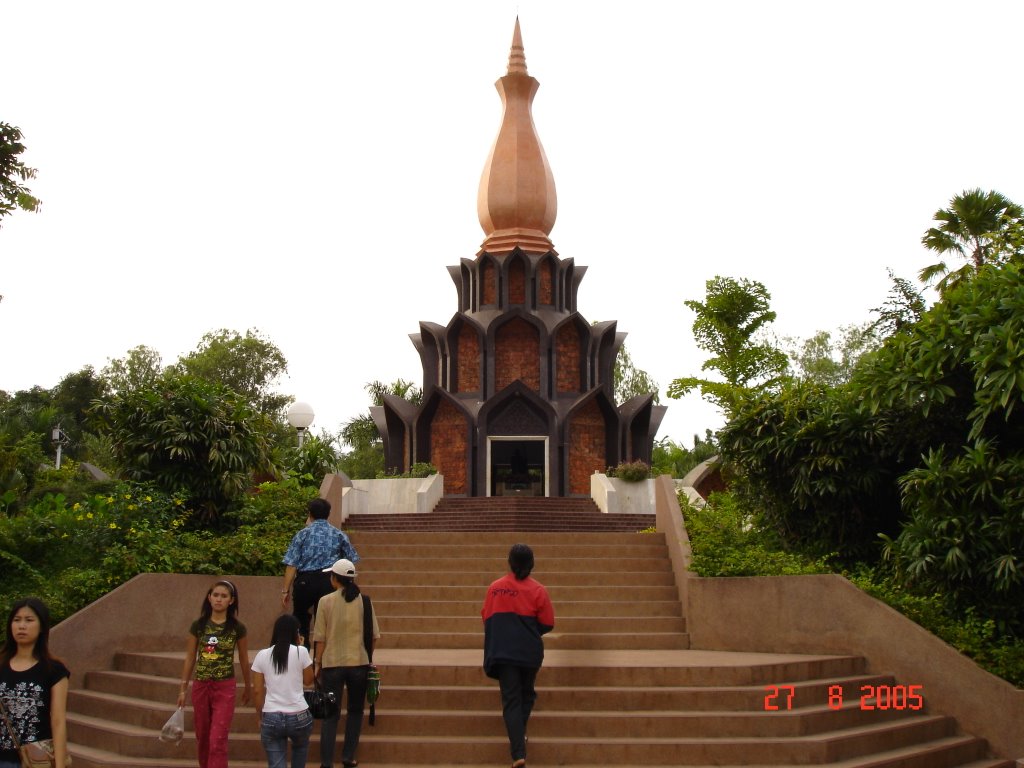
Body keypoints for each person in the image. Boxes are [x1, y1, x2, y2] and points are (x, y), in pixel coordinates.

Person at [481, 543, 555, 768]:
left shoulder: (495, 588)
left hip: (504, 652)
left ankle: (518, 752)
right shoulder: (538, 590)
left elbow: (487, 617)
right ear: (531, 565)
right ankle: (518, 747)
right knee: (526, 695)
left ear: (510, 563)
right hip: (529, 652)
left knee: (513, 700)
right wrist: (528, 630)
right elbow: (548, 623)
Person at [312, 558, 380, 768]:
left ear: (335, 579)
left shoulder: (325, 601)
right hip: (359, 663)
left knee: (330, 714)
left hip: (332, 664)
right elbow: (375, 636)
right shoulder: (365, 601)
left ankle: (326, 762)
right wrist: (367, 656)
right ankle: (348, 756)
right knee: (355, 711)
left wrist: (317, 663)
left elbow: (320, 637)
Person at [178, 580, 253, 768]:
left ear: (231, 600)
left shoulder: (237, 628)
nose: (219, 599)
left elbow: (244, 659)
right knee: (202, 736)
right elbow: (190, 658)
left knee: (217, 739)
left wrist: (248, 686)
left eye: (224, 596)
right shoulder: (198, 626)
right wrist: (182, 688)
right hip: (201, 685)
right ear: (209, 597)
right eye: (216, 595)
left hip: (224, 686)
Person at [0, 598, 70, 768]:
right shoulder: (1, 664)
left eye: (29, 620)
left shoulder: (54, 670)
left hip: (34, 760)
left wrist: (59, 765)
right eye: (17, 620)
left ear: (42, 627)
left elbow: (58, 721)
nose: (21, 626)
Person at [282, 498, 360, 646]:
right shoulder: (338, 535)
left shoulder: (302, 534)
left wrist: (285, 590)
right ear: (328, 514)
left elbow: (291, 564)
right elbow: (351, 560)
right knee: (325, 624)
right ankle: (322, 661)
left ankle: (302, 659)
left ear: (310, 514)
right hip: (329, 582)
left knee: (300, 622)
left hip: (305, 582)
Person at [251, 614, 315, 768]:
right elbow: (309, 681)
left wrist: (260, 716)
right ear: (296, 633)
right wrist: (302, 647)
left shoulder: (262, 655)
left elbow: (258, 691)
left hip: (272, 715)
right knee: (300, 750)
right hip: (299, 714)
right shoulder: (301, 652)